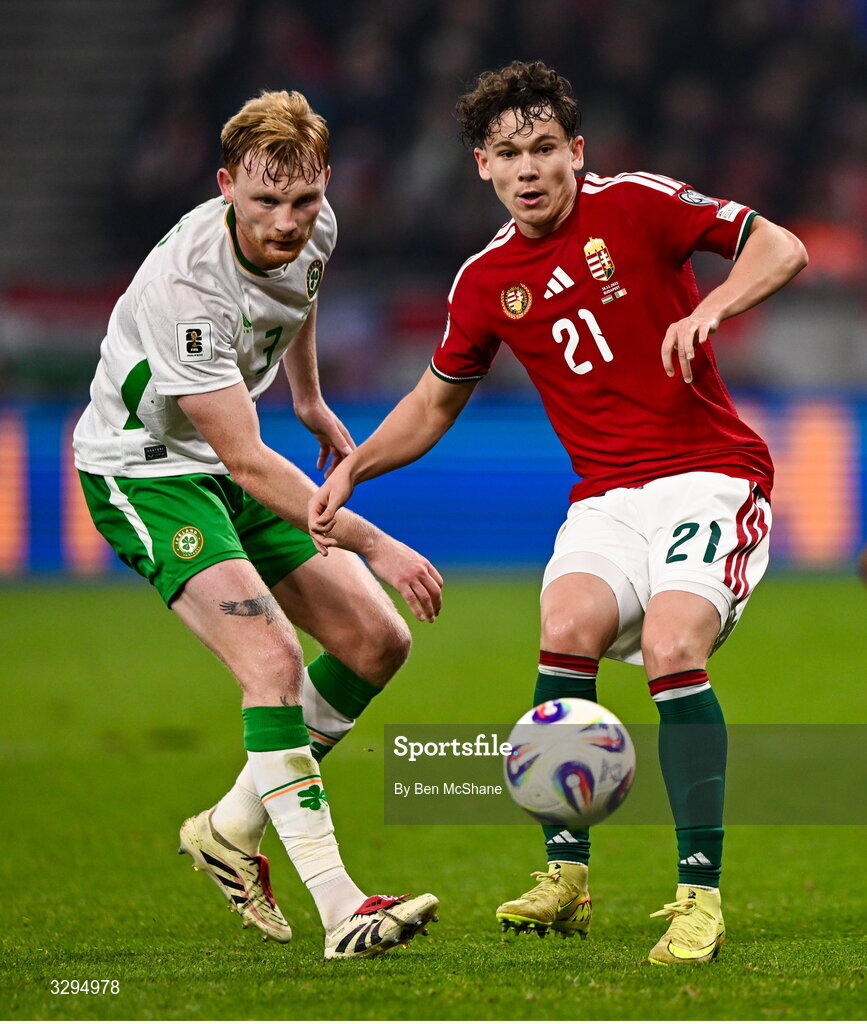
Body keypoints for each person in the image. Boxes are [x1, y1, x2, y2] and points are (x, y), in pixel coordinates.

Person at [308, 60, 808, 965]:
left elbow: (780, 245)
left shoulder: (637, 204)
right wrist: (355, 468)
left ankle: (699, 894)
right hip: (606, 497)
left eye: (545, 147)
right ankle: (565, 877)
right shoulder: (485, 277)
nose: (529, 167)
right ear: (481, 167)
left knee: (671, 647)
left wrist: (715, 309)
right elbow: (431, 402)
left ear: (576, 152)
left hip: (708, 476)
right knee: (565, 625)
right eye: (509, 153)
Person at [72, 89, 443, 960]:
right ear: (225, 184)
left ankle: (230, 827)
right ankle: (342, 907)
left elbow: (298, 294)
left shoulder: (317, 225)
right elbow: (241, 460)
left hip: (217, 456)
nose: (285, 221)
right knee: (272, 663)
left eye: (304, 200)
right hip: (146, 472)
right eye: (264, 201)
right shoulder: (188, 289)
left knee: (374, 642)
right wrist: (376, 542)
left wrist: (309, 401)